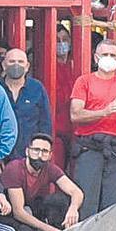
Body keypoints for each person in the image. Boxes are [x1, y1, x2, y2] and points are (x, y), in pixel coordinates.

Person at [69, 40, 116, 219]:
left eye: (112, 55)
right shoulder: (84, 81)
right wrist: (104, 112)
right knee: (87, 202)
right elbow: (75, 115)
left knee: (113, 204)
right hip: (90, 148)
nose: (108, 58)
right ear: (96, 58)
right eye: (104, 55)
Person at [0, 48, 54, 162]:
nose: (16, 65)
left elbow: (45, 123)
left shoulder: (37, 88)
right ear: (4, 65)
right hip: (0, 156)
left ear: (27, 66)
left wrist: (41, 153)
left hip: (30, 156)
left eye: (20, 62)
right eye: (11, 62)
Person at [53, 24, 77, 168]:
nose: (62, 43)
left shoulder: (76, 65)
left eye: (65, 39)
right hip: (56, 132)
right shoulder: (47, 66)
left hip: (75, 131)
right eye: (57, 40)